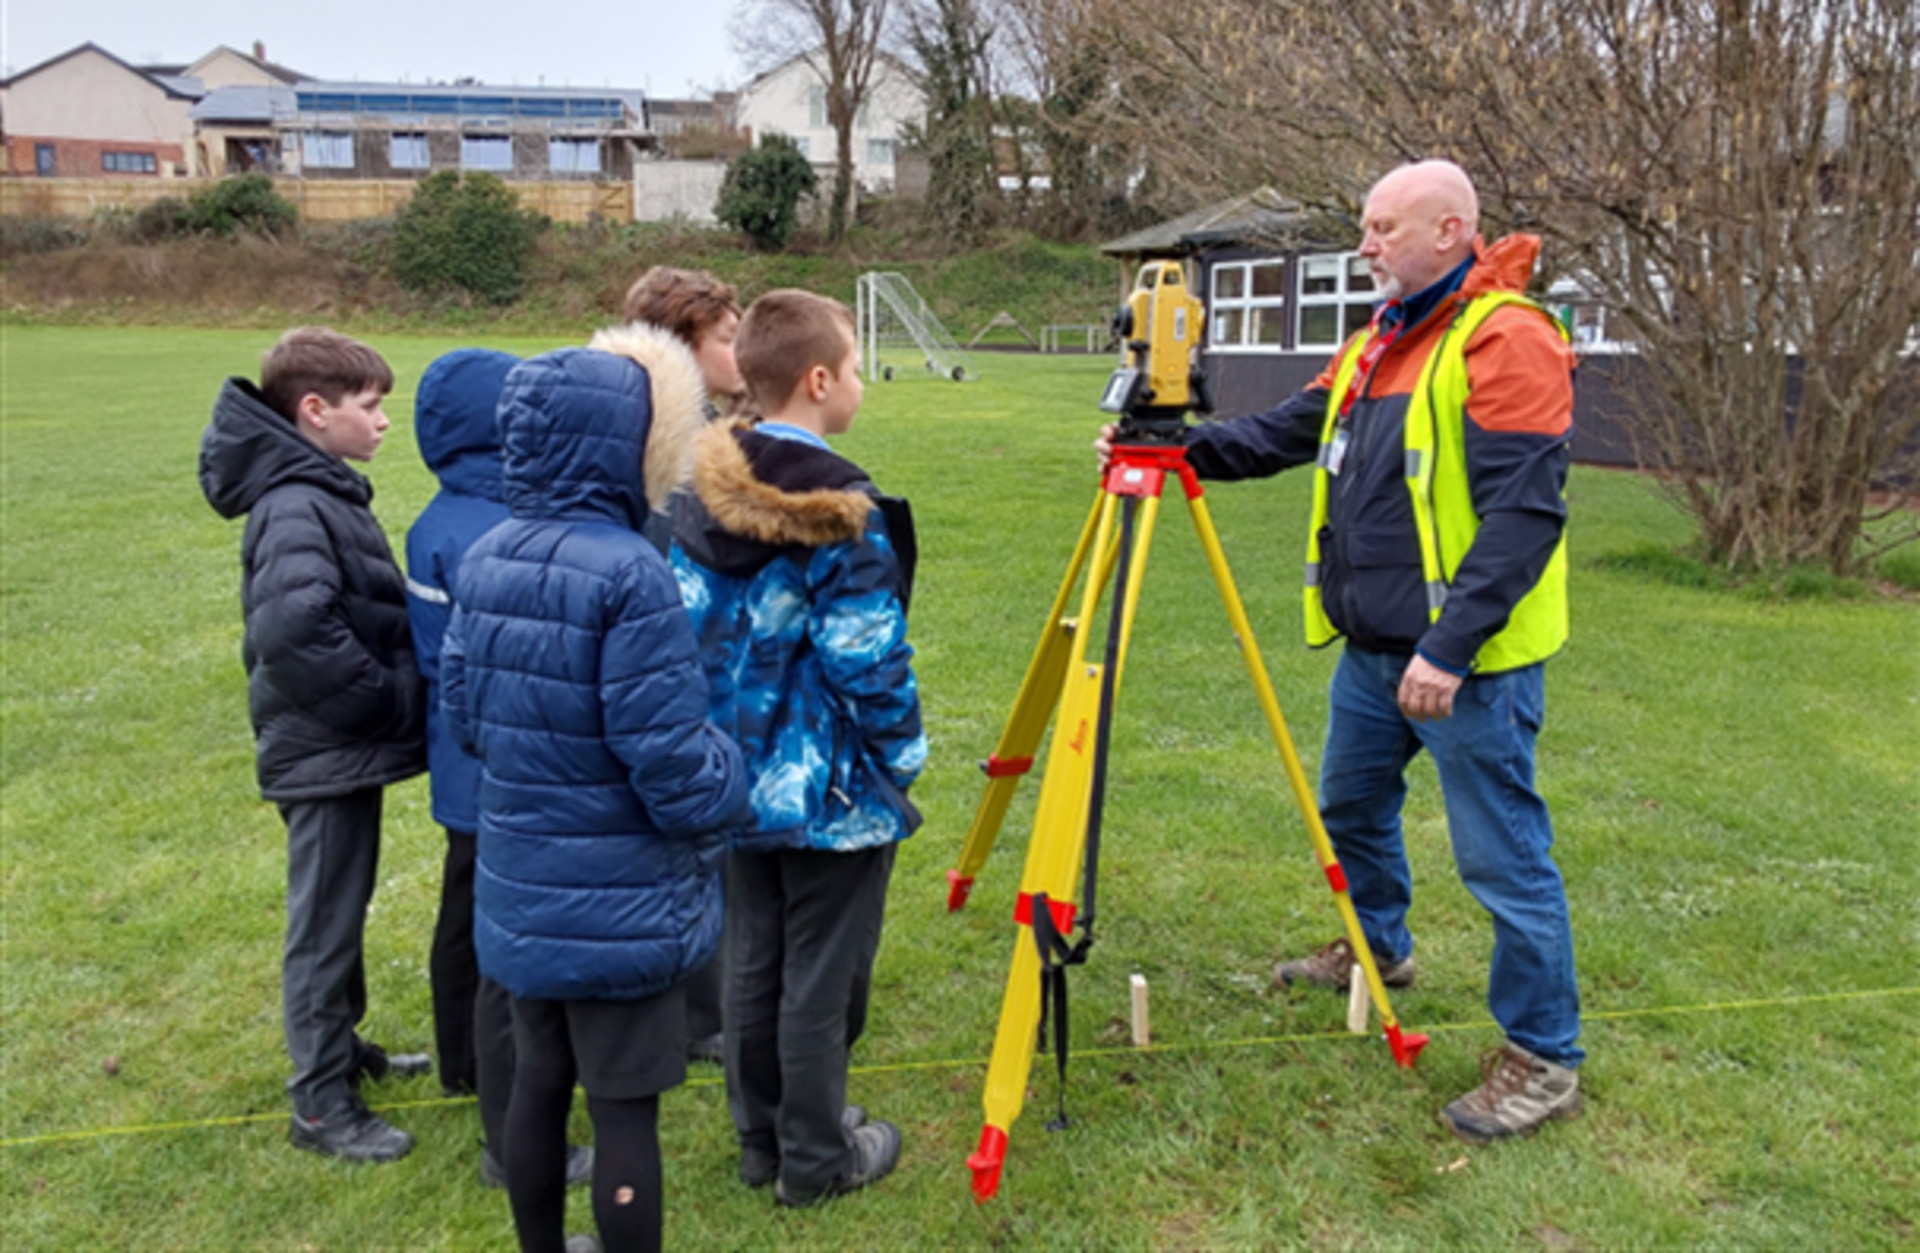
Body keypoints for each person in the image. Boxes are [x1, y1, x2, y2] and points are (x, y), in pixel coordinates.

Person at [1100, 159, 1582, 1144]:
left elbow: (1523, 517)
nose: (1364, 246)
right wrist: (1178, 450)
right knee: (1350, 808)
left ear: (1451, 232)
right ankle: (1376, 948)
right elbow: (1290, 430)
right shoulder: (1376, 343)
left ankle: (1543, 1054)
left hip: (1468, 666)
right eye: (1364, 228)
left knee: (1503, 856)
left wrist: (1449, 650)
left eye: (1382, 228)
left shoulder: (1506, 338)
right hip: (1373, 651)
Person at [441, 330, 749, 1253]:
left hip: (523, 886)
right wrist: (729, 771)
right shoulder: (631, 573)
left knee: (538, 1080)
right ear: (625, 443)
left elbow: (466, 715)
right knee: (622, 1112)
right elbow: (672, 767)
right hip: (622, 901)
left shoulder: (489, 553)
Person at [671, 289, 926, 1207]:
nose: (858, 381)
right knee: (820, 980)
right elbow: (869, 660)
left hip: (731, 777)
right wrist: (901, 756)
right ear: (819, 381)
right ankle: (814, 1158)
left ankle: (761, 1140)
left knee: (753, 962)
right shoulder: (838, 512)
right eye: (854, 367)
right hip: (828, 793)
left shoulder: (699, 493)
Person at [198, 326, 432, 1164]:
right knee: (323, 922)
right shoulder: (296, 502)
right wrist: (390, 701)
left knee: (343, 904)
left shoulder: (315, 487)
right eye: (370, 407)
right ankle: (322, 1103)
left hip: (336, 747)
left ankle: (344, 1049)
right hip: (325, 751)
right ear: (313, 409)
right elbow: (298, 632)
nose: (381, 423)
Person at [403, 348, 593, 1191]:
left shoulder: (435, 521)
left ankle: (463, 1067)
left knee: (465, 914)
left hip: (463, 766)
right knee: (504, 956)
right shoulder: (494, 532)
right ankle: (510, 1130)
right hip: (501, 770)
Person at [607, 265, 746, 1063]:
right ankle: (698, 1015)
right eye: (727, 339)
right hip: (675, 671)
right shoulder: (672, 442)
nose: (740, 351)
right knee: (689, 839)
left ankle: (703, 1010)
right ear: (683, 345)